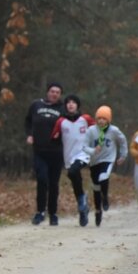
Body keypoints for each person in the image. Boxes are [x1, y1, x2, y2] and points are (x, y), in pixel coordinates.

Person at [51, 95, 95, 226]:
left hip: (84, 153)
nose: (71, 104)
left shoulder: (85, 119)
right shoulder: (61, 121)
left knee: (72, 172)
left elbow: (98, 130)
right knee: (75, 180)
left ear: (77, 105)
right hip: (69, 155)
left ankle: (82, 202)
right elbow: (53, 138)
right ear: (65, 106)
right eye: (68, 103)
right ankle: (83, 208)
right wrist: (56, 137)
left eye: (73, 102)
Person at [25, 83, 65, 225]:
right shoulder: (36, 105)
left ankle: (53, 213)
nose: (54, 94)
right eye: (52, 91)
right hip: (39, 151)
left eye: (57, 92)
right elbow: (28, 121)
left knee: (53, 183)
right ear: (47, 92)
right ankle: (40, 212)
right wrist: (29, 134)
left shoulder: (63, 108)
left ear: (60, 95)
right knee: (42, 179)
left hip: (56, 152)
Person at [82, 105, 128, 226]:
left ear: (109, 120)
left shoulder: (114, 130)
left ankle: (105, 197)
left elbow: (123, 141)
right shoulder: (91, 130)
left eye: (104, 118)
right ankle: (98, 210)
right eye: (99, 118)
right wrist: (92, 151)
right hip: (94, 161)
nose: (101, 121)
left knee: (104, 176)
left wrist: (123, 155)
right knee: (96, 187)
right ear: (96, 119)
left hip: (108, 159)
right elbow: (84, 146)